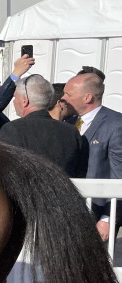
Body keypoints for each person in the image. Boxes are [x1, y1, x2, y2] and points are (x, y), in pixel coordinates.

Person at [62, 73, 122, 240]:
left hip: (96, 216)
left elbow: (119, 176)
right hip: (68, 212)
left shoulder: (116, 125)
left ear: (87, 97)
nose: (63, 98)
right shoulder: (66, 123)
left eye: (69, 94)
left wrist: (108, 218)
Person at [0, 74, 88, 178]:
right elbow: (81, 172)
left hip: (28, 192)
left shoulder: (12, 129)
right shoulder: (71, 131)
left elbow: (8, 172)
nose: (14, 102)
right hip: (64, 192)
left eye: (15, 97)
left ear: (25, 101)